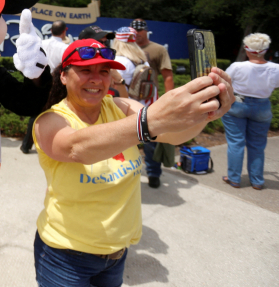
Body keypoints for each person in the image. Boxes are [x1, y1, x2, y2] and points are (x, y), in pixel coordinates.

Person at [31, 38, 234, 287]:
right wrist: (150, 120)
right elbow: (77, 148)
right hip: (64, 256)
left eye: (104, 71)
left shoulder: (122, 106)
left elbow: (172, 135)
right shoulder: (50, 121)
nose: (96, 78)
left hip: (116, 254)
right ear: (63, 76)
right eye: (85, 70)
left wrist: (208, 112)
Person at [222, 33, 279, 190]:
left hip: (238, 105)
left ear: (248, 50)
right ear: (265, 50)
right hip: (262, 106)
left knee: (236, 143)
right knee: (257, 145)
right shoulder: (276, 69)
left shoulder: (237, 66)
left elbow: (225, 83)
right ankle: (257, 181)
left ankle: (234, 178)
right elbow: (274, 86)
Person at [130, 18, 174, 188]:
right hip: (129, 101)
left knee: (150, 140)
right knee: (127, 139)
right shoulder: (127, 48)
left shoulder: (158, 49)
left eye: (140, 30)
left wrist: (169, 102)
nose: (137, 34)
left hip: (150, 103)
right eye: (134, 31)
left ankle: (154, 173)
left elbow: (167, 75)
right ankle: (130, 172)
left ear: (146, 31)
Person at [21, 20, 69, 153]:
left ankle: (26, 145)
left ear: (51, 31)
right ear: (65, 31)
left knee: (36, 113)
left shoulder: (42, 44)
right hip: (58, 85)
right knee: (58, 114)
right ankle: (52, 145)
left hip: (40, 81)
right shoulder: (65, 48)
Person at [111, 26, 151, 99]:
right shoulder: (143, 61)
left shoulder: (118, 60)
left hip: (123, 104)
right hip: (142, 103)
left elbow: (113, 86)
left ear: (116, 40)